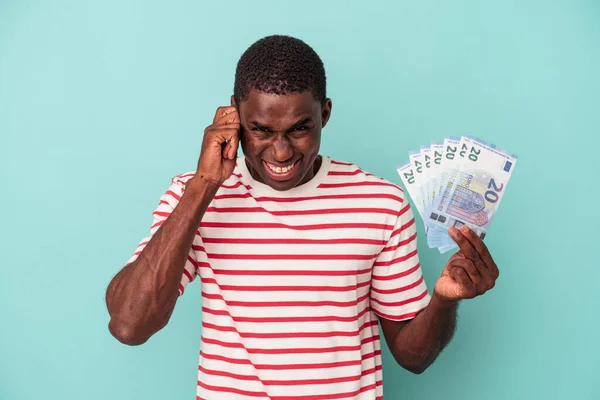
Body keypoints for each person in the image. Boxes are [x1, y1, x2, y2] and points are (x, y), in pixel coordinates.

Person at [105, 35, 499, 399]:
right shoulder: (192, 196)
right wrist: (205, 184)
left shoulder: (380, 202)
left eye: (299, 129)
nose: (280, 153)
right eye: (259, 130)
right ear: (233, 116)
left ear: (324, 113)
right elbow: (129, 325)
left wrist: (444, 301)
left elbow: (413, 358)